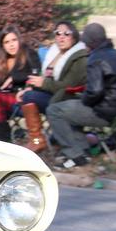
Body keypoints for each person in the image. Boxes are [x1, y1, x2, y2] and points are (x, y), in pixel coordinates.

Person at [47, 23, 116, 170]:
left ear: (91, 43)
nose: (84, 45)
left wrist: (83, 99)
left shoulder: (95, 59)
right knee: (69, 109)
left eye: (86, 42)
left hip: (103, 113)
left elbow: (95, 92)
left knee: (55, 110)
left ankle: (75, 155)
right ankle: (83, 151)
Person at [17, 21, 88, 152]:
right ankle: (40, 140)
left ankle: (38, 141)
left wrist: (42, 84)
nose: (61, 37)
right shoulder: (54, 53)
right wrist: (32, 87)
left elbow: (69, 86)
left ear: (75, 36)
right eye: (58, 33)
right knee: (25, 97)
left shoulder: (79, 58)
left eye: (67, 33)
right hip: (53, 94)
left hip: (67, 98)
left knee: (29, 97)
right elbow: (46, 79)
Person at [0, 26, 40, 143]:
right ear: (3, 46)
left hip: (24, 96)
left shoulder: (29, 53)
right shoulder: (5, 59)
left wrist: (14, 78)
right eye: (7, 42)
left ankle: (2, 136)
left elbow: (36, 74)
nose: (11, 45)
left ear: (19, 40)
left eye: (14, 40)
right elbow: (2, 82)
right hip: (8, 97)